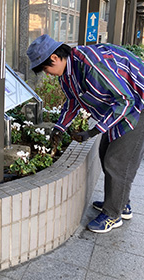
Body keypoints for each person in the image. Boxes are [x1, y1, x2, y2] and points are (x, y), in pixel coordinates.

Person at [27, 34, 144, 233]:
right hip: (121, 107)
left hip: (138, 105)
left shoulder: (92, 65)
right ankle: (120, 203)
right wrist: (60, 128)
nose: (47, 74)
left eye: (45, 68)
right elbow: (73, 101)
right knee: (105, 151)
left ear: (54, 58)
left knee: (118, 161)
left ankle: (113, 214)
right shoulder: (67, 73)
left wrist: (92, 132)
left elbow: (126, 100)